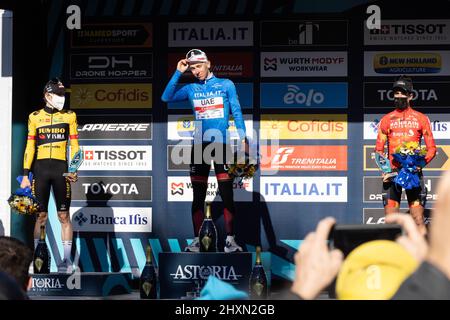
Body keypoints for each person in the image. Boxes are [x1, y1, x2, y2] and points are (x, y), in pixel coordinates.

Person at [162, 49, 247, 253]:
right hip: (199, 146)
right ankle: (197, 240)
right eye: (192, 68)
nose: (196, 71)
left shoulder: (226, 84)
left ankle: (230, 240)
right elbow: (166, 97)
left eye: (198, 66)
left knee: (227, 196)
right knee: (197, 197)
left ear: (209, 63)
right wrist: (178, 72)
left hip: (221, 145)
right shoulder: (191, 88)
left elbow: (236, 110)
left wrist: (243, 138)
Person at [20, 77, 79, 272]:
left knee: (63, 216)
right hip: (41, 170)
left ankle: (66, 262)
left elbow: (75, 145)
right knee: (41, 216)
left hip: (62, 170)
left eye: (64, 94)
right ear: (48, 95)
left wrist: (74, 169)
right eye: (59, 94)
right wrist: (26, 174)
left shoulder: (70, 116)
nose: (63, 98)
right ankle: (39, 261)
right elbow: (30, 146)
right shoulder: (34, 117)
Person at [375, 75, 436, 234]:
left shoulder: (421, 118)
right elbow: (379, 150)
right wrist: (385, 169)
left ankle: (422, 258)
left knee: (417, 220)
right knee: (390, 222)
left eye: (402, 92)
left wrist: (418, 165)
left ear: (411, 96)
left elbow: (432, 149)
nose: (398, 96)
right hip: (393, 175)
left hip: (413, 174)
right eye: (396, 92)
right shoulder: (386, 119)